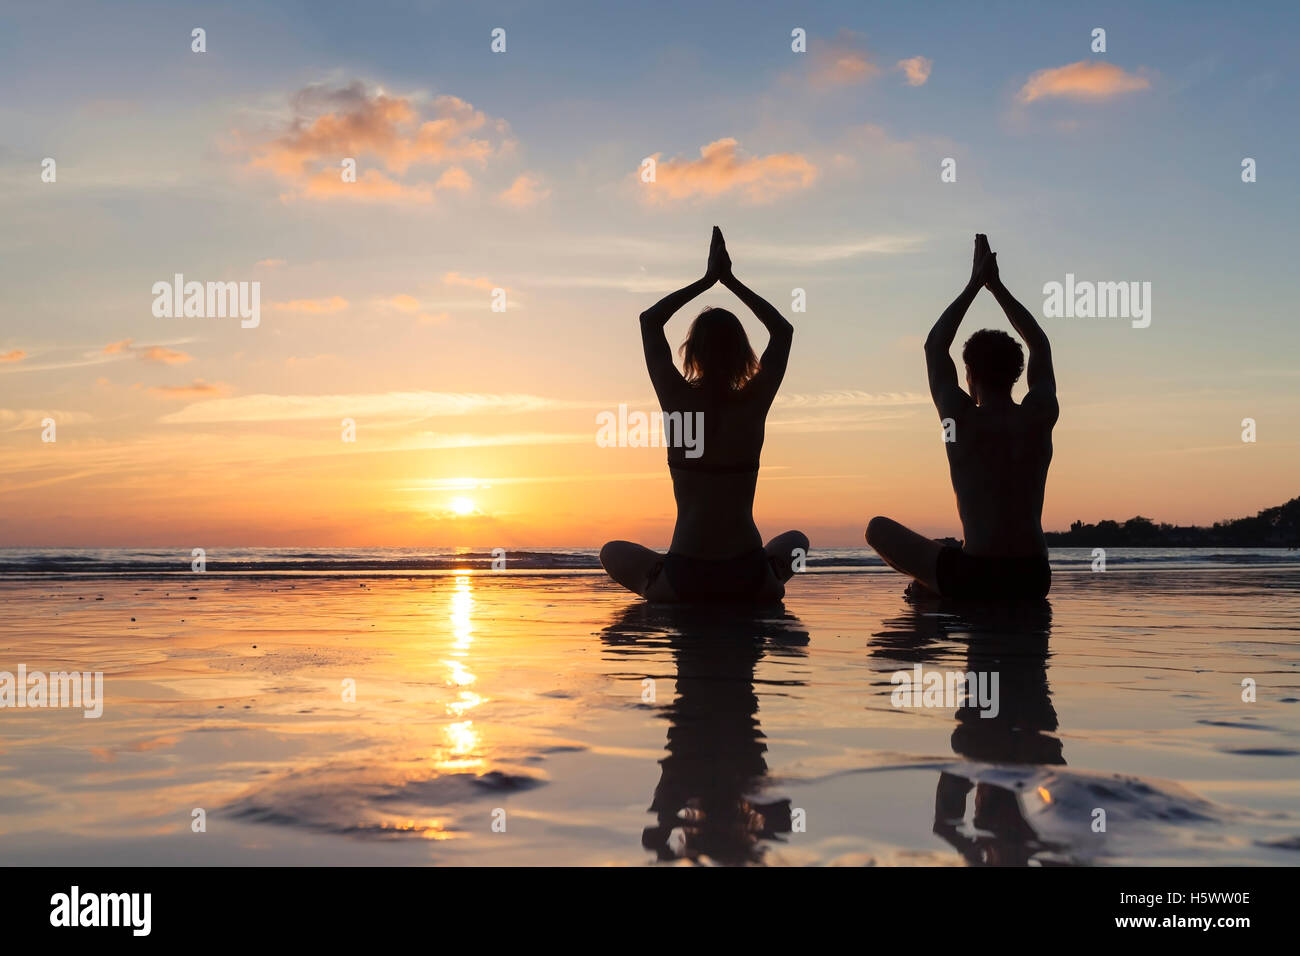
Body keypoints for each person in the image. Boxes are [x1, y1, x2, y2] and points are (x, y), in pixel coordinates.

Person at [600, 227, 809, 603]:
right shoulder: (753, 402)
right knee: (797, 541)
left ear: (692, 353)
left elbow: (650, 321)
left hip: (685, 579)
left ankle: (657, 583)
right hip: (749, 578)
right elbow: (783, 330)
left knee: (610, 551)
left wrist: (706, 280)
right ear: (744, 354)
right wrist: (730, 281)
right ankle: (769, 578)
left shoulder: (675, 398)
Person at [866, 234, 1057, 600]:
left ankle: (932, 585)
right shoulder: (1038, 415)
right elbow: (1040, 344)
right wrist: (997, 288)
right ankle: (934, 583)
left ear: (969, 375)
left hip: (976, 577)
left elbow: (935, 345)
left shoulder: (961, 418)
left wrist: (974, 284)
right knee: (944, 552)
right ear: (1018, 373)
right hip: (1033, 577)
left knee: (876, 529)